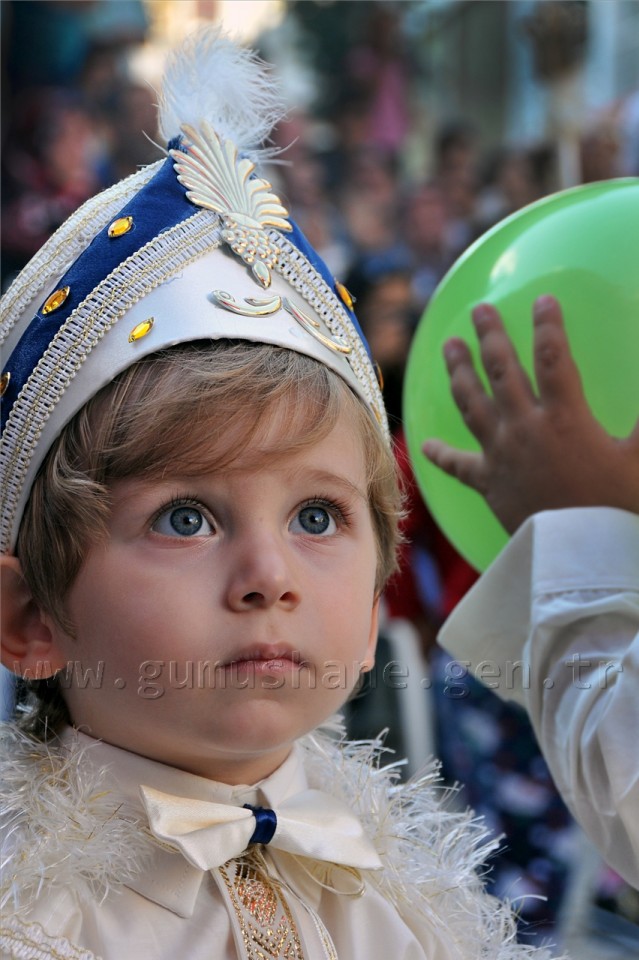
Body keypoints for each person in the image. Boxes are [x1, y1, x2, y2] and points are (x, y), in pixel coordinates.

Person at [0, 30, 559, 960]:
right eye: (186, 517)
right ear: (30, 618)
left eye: (317, 516)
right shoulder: (32, 924)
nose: (269, 577)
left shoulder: (416, 905)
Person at [424, 295, 639, 890]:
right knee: (512, 866)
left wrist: (583, 528)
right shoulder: (452, 444)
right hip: (494, 671)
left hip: (536, 664)